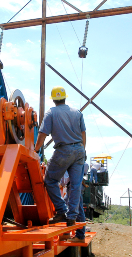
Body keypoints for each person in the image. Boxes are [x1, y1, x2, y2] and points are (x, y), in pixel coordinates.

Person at [34, 86, 86, 236]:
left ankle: (62, 210)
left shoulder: (51, 113)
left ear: (53, 99)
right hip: (79, 150)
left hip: (63, 150)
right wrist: (83, 150)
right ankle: (72, 217)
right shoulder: (77, 112)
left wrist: (36, 149)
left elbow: (43, 134)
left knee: (50, 180)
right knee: (75, 186)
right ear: (65, 98)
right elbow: (83, 133)